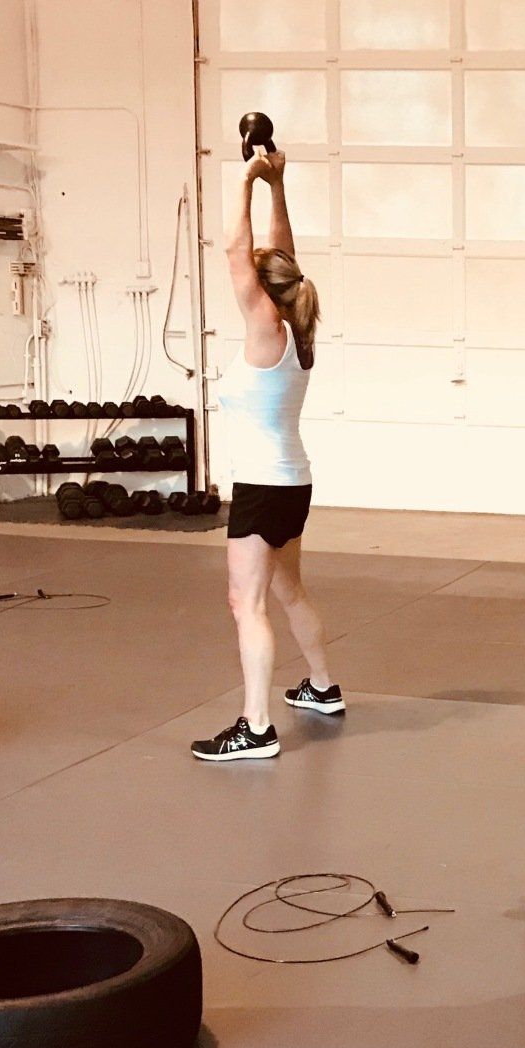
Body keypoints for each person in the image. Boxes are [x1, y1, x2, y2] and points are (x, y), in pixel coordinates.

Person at [191, 149, 344, 762]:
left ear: (262, 290)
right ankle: (322, 688)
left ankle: (255, 727)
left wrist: (246, 179)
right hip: (293, 482)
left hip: (260, 486)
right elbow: (281, 256)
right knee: (289, 592)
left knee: (245, 603)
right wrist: (278, 186)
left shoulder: (266, 329)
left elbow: (237, 250)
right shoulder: (298, 330)